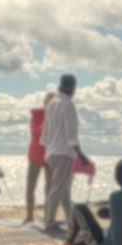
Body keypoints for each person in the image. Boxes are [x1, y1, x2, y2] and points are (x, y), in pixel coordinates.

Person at [41, 74, 91, 233]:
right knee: (58, 188)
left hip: (52, 151)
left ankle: (71, 221)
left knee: (64, 189)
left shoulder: (52, 103)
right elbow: (71, 132)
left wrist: (47, 148)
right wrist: (80, 153)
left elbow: (46, 130)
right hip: (64, 152)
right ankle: (49, 221)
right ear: (72, 88)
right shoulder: (67, 104)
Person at [24, 92, 55, 223]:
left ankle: (48, 215)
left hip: (50, 157)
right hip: (35, 155)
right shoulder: (36, 114)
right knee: (31, 186)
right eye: (49, 102)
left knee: (50, 188)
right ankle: (30, 215)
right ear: (45, 102)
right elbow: (37, 131)